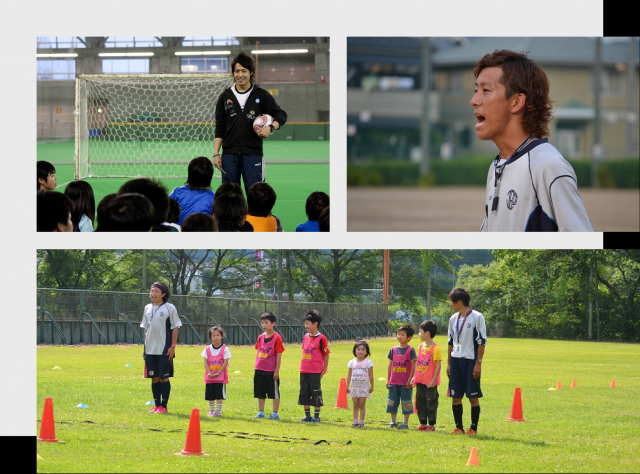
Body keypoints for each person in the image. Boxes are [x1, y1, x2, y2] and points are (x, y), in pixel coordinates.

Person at [472, 50, 593, 232]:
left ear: (516, 102)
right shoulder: (496, 166)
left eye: (486, 90)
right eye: (476, 90)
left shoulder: (548, 166)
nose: (474, 100)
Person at [212, 52, 288, 192]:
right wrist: (216, 153)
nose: (240, 75)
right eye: (236, 71)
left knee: (256, 195)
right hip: (229, 155)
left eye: (244, 71)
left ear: (251, 72)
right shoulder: (225, 96)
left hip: (253, 154)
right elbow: (220, 127)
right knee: (230, 197)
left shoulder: (261, 94)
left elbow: (281, 114)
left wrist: (271, 127)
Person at [446, 287, 487, 435]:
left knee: (472, 397)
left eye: (452, 302)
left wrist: (478, 363)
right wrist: (449, 364)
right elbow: (450, 342)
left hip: (470, 361)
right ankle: (458, 427)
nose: (451, 304)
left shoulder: (477, 317)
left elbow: (482, 341)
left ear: (460, 302)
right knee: (456, 397)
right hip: (455, 361)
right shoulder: (453, 319)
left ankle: (473, 428)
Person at [140, 282, 182, 414]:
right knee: (154, 378)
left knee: (164, 377)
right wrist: (145, 348)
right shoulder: (147, 308)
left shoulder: (170, 308)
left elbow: (175, 327)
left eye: (156, 291)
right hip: (150, 350)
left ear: (163, 294)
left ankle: (164, 406)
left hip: (164, 349)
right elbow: (146, 329)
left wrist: (173, 346)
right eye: (151, 291)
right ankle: (156, 405)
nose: (153, 294)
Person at [298, 310, 330, 422]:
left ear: (315, 324)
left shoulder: (322, 338)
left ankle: (316, 417)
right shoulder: (305, 337)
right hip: (304, 370)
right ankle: (307, 416)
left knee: (316, 392)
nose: (305, 326)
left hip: (315, 371)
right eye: (305, 323)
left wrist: (324, 368)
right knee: (304, 392)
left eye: (308, 323)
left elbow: (326, 354)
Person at [253, 312, 285, 420]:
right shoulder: (260, 337)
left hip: (271, 370)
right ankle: (261, 412)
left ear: (273, 323)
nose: (264, 325)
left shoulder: (277, 338)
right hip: (259, 369)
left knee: (274, 393)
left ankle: (275, 413)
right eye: (262, 322)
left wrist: (276, 371)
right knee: (260, 392)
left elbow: (279, 355)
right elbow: (259, 352)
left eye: (266, 322)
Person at [412, 320, 442, 432]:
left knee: (431, 402)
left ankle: (432, 424)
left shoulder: (436, 348)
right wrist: (415, 377)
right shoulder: (420, 347)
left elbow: (438, 366)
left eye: (420, 332)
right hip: (420, 380)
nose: (419, 334)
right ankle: (423, 423)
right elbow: (418, 363)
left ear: (427, 333)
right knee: (420, 402)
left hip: (430, 382)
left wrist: (434, 380)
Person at [386, 324, 417, 429]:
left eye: (402, 334)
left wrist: (410, 380)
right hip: (393, 382)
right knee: (392, 402)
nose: (399, 336)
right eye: (398, 334)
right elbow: (390, 365)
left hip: (405, 384)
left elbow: (414, 367)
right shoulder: (393, 350)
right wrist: (388, 379)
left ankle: (405, 422)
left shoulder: (410, 350)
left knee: (406, 402)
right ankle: (393, 421)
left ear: (409, 338)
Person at [169, 156, 215, 226]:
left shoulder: (177, 192)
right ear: (210, 177)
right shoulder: (213, 198)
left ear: (189, 175)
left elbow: (164, 210)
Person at [202, 326, 231, 417]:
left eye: (218, 335)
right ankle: (211, 411)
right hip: (210, 377)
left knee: (219, 396)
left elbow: (225, 362)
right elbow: (205, 362)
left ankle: (218, 412)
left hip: (220, 378)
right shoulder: (207, 349)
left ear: (222, 336)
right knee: (210, 395)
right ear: (210, 337)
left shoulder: (225, 349)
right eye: (213, 335)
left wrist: (218, 372)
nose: (216, 337)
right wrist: (209, 372)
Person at [346, 340, 374, 428]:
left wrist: (372, 386)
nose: (360, 351)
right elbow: (349, 375)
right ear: (355, 351)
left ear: (366, 352)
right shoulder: (351, 362)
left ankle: (361, 422)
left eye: (363, 349)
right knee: (355, 405)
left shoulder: (368, 362)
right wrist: (347, 386)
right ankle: (355, 421)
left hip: (363, 387)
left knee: (361, 405)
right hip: (354, 387)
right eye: (358, 349)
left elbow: (371, 375)